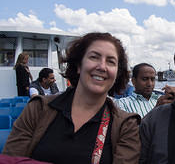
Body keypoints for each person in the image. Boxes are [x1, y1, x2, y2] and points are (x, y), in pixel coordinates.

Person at [3, 32, 141, 164]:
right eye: (94, 57)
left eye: (111, 61)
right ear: (78, 65)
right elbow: (11, 159)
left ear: (117, 73)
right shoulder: (38, 108)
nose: (102, 66)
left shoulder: (125, 126)